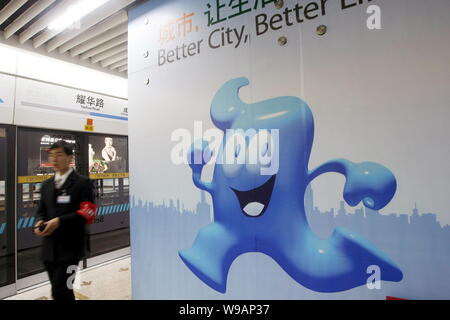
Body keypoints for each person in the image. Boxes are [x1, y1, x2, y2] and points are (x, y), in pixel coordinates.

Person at [34, 140, 96, 300]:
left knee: (60, 289)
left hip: (71, 250)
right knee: (62, 291)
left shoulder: (83, 183)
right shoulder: (46, 185)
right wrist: (39, 222)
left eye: (59, 155)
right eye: (51, 155)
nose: (54, 159)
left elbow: (87, 213)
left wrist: (59, 221)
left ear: (70, 158)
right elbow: (41, 211)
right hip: (49, 251)